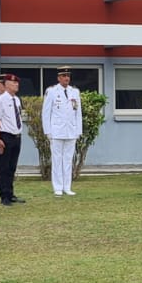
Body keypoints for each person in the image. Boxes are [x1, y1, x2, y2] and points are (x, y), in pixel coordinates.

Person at [42, 67, 83, 196]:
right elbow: (46, 112)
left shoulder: (74, 92)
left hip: (71, 130)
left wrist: (78, 130)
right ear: (59, 78)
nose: (66, 78)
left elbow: (78, 112)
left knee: (68, 159)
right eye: (64, 76)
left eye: (68, 76)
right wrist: (47, 131)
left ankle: (67, 186)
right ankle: (58, 187)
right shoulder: (52, 91)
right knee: (57, 159)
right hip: (56, 131)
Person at [0, 73, 26, 203]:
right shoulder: (1, 100)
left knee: (12, 166)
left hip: (17, 136)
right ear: (6, 84)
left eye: (17, 83)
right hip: (6, 136)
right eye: (13, 83)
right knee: (4, 167)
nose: (16, 85)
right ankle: (4, 195)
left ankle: (11, 192)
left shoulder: (17, 100)